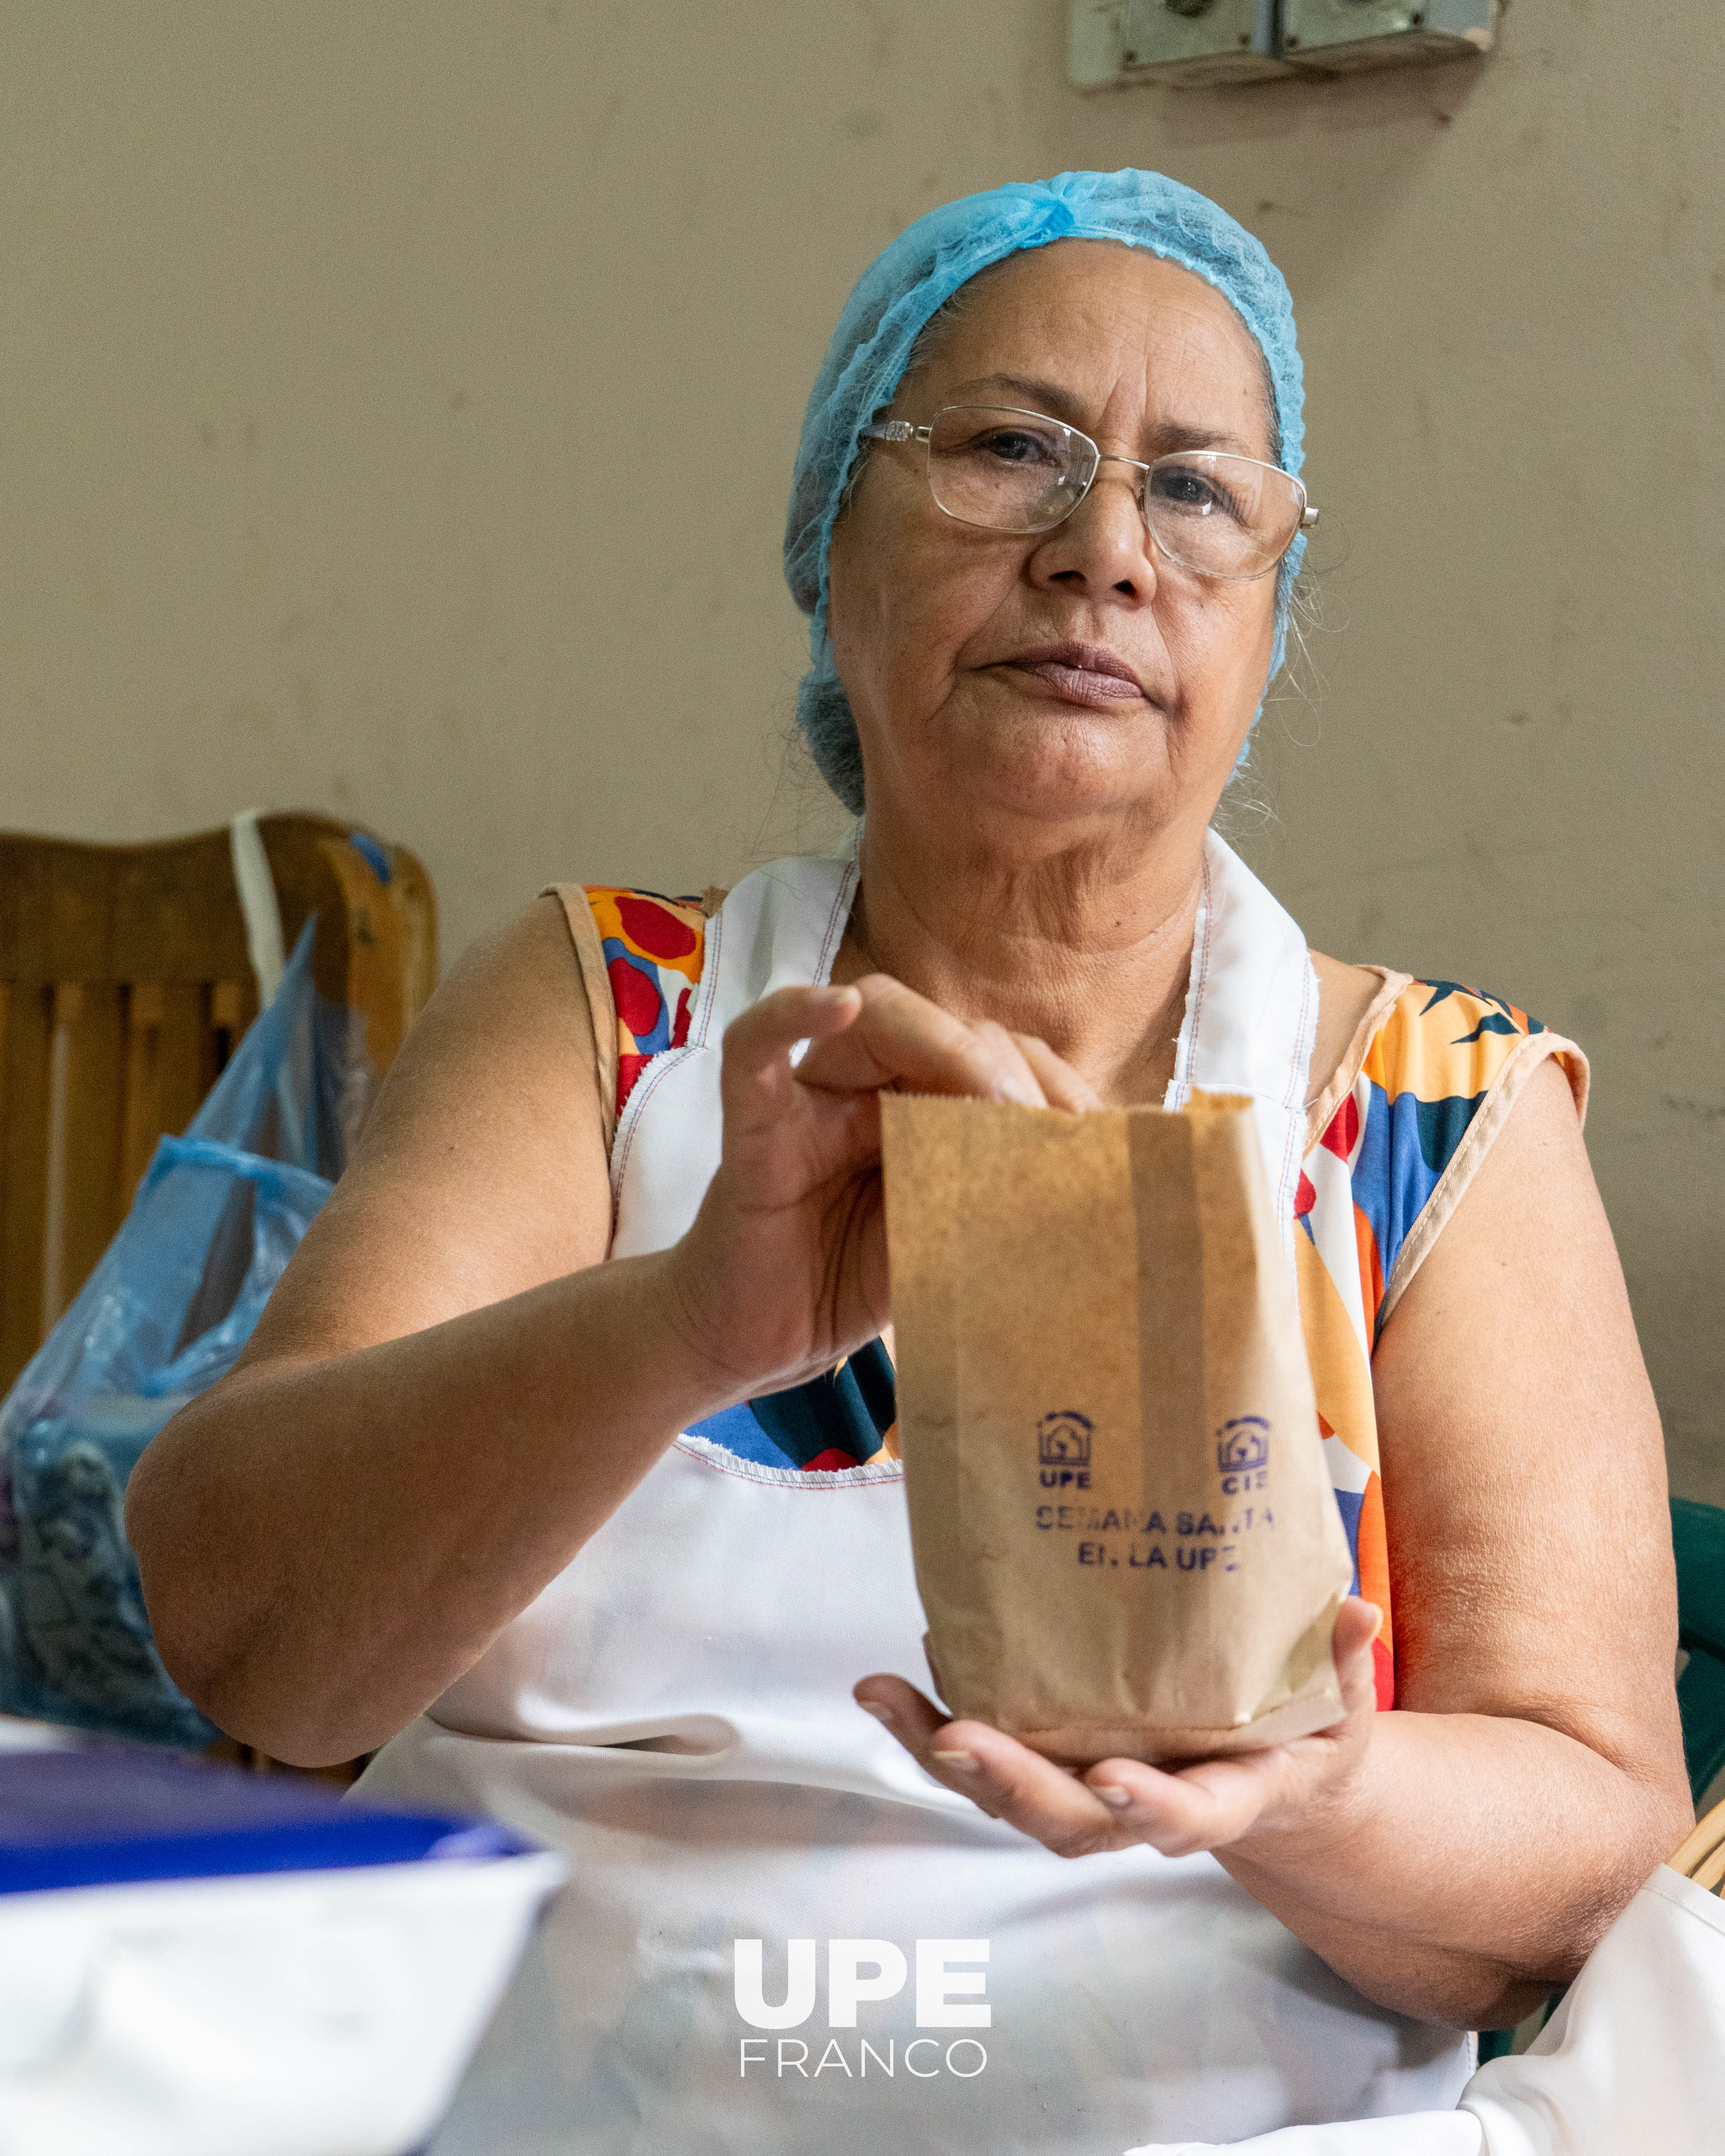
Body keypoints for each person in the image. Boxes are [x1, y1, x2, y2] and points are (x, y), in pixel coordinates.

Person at [127, 171, 1690, 2155]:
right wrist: (686, 1320)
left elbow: (1588, 1842)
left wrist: (1300, 1782)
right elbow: (250, 1631)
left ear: (1267, 619)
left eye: (1195, 491)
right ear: (828, 549)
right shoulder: (612, 1008)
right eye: (1010, 450)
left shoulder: (1429, 1107)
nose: (1101, 550)